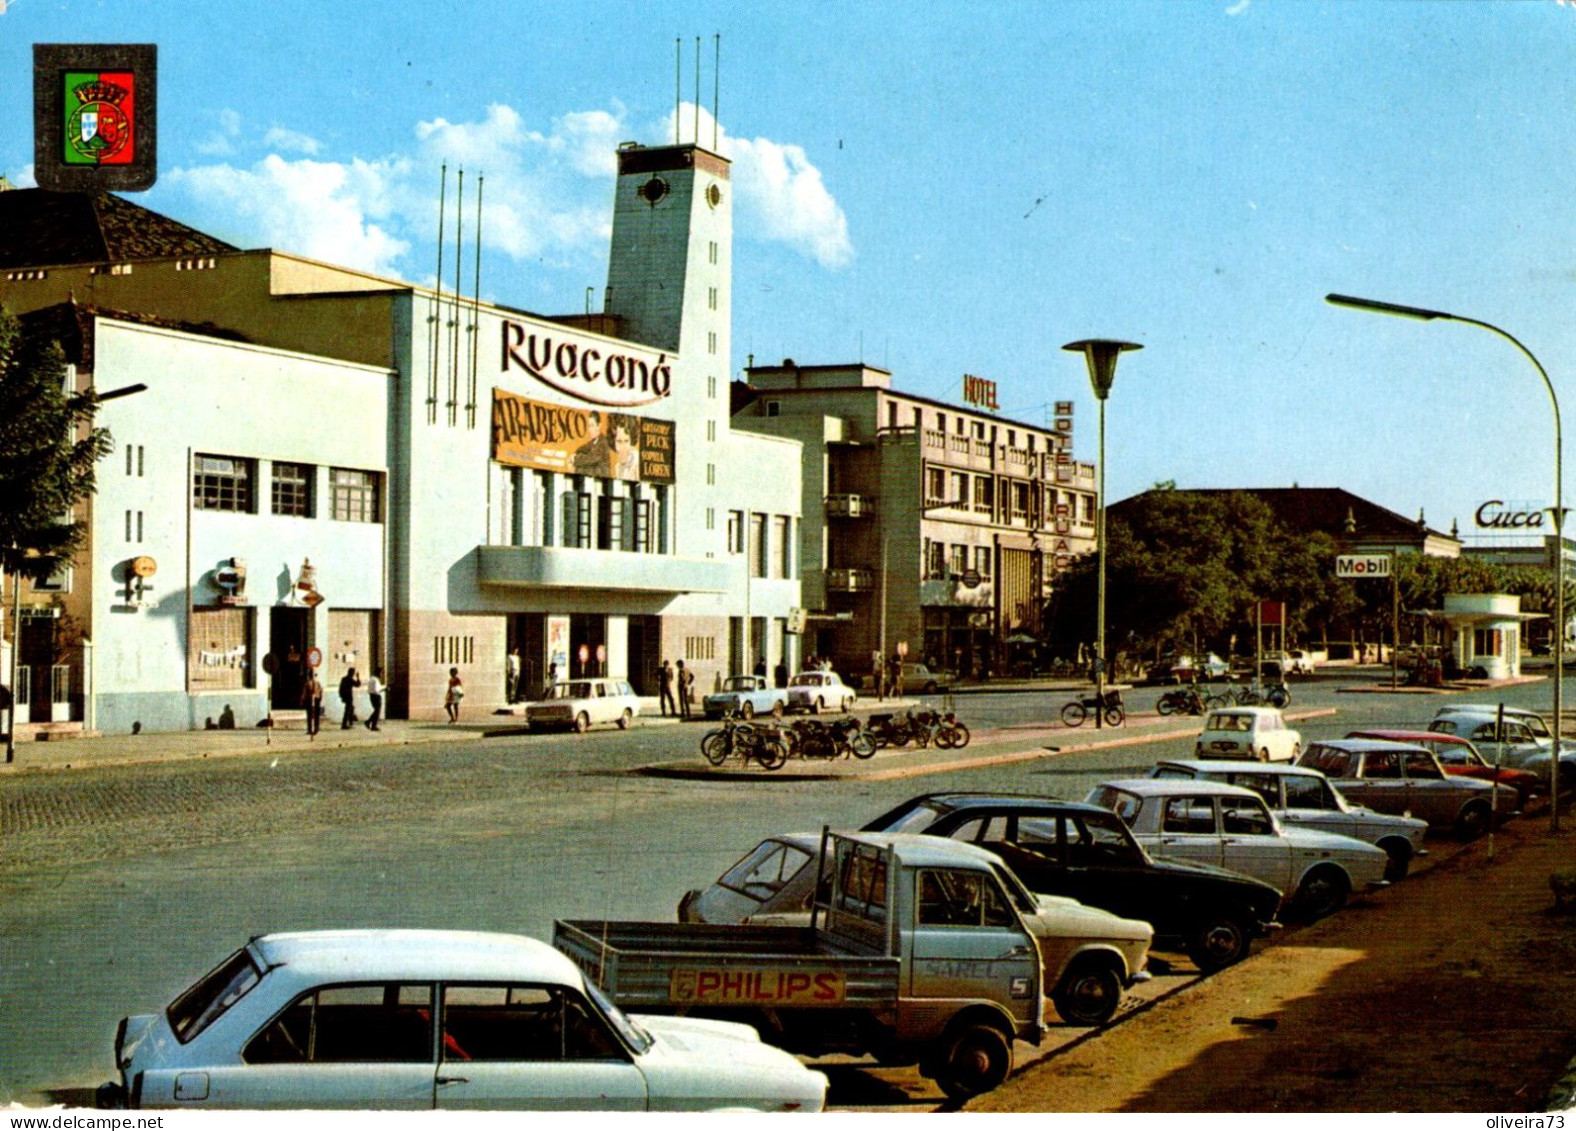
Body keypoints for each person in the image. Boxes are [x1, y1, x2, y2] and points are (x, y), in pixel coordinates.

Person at [301, 671, 324, 738]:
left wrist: (302, 700)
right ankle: (316, 727)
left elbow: (304, 693)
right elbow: (321, 691)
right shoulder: (317, 683)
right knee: (316, 715)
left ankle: (310, 728)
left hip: (310, 700)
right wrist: (320, 698)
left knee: (310, 715)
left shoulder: (308, 683)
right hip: (316, 700)